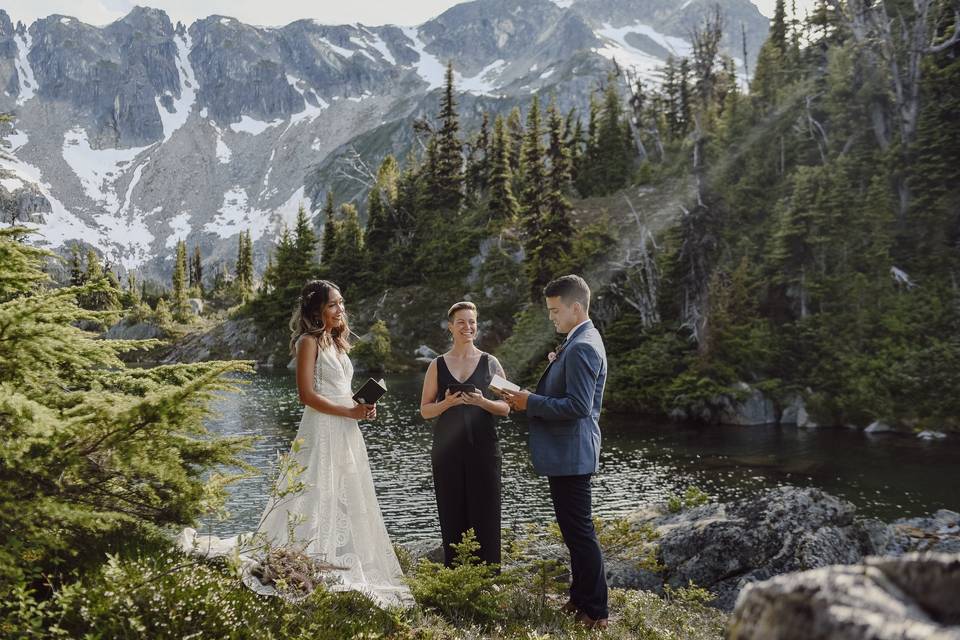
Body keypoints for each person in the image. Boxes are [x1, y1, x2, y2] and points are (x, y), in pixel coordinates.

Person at [180, 279, 412, 608]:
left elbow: (341, 390)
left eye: (341, 303)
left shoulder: (337, 343)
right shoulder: (308, 342)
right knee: (312, 488)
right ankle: (306, 552)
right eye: (332, 305)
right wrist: (349, 410)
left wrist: (363, 408)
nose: (340, 309)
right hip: (321, 427)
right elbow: (306, 395)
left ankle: (337, 556)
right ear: (316, 311)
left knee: (344, 491)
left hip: (346, 427)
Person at [498, 275, 609, 629]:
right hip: (569, 453)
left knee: (579, 532)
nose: (552, 318)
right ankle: (580, 598)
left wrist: (529, 401)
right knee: (574, 530)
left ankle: (596, 611)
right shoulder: (579, 340)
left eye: (555, 311)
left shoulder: (582, 346)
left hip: (573, 453)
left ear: (576, 308)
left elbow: (577, 406)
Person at [420, 301, 510, 567]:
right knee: (451, 510)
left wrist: (482, 402)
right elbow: (425, 410)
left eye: (472, 322)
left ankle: (490, 576)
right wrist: (447, 403)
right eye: (461, 322)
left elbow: (507, 406)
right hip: (446, 451)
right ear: (451, 327)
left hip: (484, 449)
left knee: (487, 510)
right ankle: (455, 576)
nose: (467, 327)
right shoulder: (437, 365)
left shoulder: (490, 362)